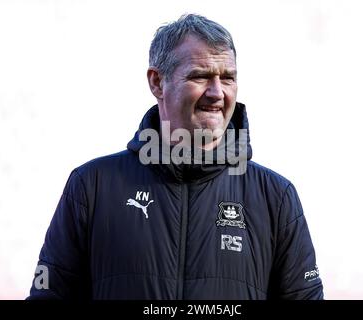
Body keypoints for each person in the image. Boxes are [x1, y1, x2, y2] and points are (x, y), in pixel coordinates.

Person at [28, 14, 323, 300]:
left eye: (228, 78)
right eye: (200, 76)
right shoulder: (91, 187)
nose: (217, 93)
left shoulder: (275, 197)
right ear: (157, 82)